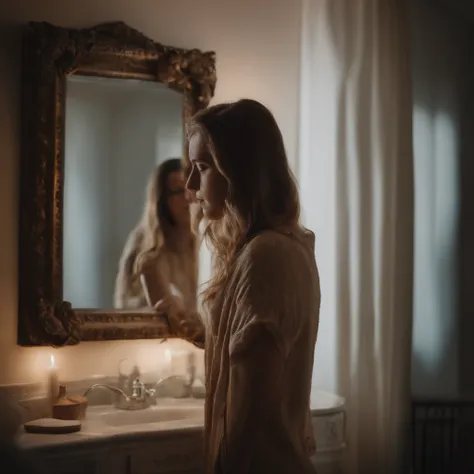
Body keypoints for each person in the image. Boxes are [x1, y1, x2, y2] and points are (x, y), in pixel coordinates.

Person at [179, 99, 321, 473]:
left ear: (240, 170)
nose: (191, 185)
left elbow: (247, 414)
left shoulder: (267, 254)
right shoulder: (275, 246)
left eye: (203, 167)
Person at [114, 158, 198, 317]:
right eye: (179, 191)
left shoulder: (200, 245)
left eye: (190, 188)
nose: (188, 197)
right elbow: (125, 305)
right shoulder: (145, 248)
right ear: (162, 200)